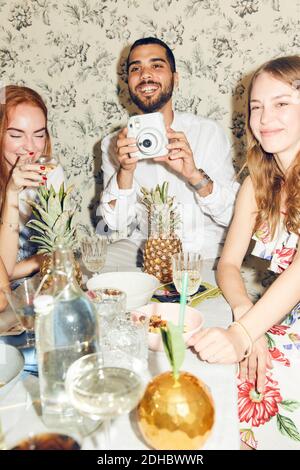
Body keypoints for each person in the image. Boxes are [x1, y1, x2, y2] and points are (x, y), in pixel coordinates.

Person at [188, 55, 300, 450]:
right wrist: (245, 316)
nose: (264, 117)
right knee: (213, 379)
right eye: (256, 106)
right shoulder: (257, 184)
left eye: (282, 103)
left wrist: (245, 332)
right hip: (283, 318)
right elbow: (228, 264)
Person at [99, 37, 239, 266]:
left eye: (156, 65)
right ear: (128, 82)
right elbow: (115, 223)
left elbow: (233, 215)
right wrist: (125, 171)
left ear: (175, 78)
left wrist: (194, 175)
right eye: (136, 68)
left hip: (204, 254)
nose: (145, 75)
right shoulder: (114, 144)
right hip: (144, 253)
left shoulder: (208, 133)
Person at [0, 85, 64, 280]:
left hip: (40, 279)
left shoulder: (50, 172)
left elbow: (57, 249)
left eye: (39, 134)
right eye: (16, 135)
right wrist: (12, 194)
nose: (31, 147)